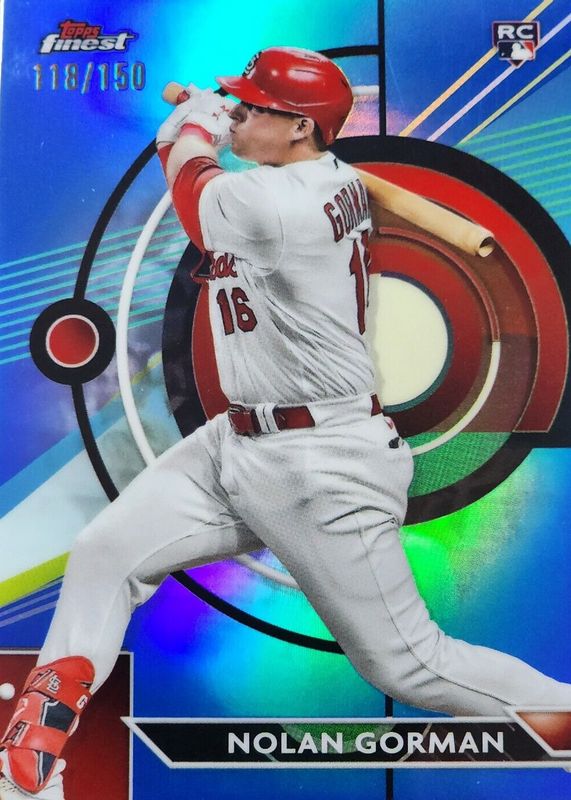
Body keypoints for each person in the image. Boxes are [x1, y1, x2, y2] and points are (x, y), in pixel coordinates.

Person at [1, 46, 570, 799]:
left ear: (301, 126)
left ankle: (564, 712)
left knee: (409, 666)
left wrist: (192, 129)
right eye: (235, 100)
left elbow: (199, 201)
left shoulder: (283, 202)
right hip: (236, 440)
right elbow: (217, 193)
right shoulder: (308, 183)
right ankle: (41, 725)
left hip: (321, 461)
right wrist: (205, 132)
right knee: (106, 551)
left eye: (252, 104)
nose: (236, 111)